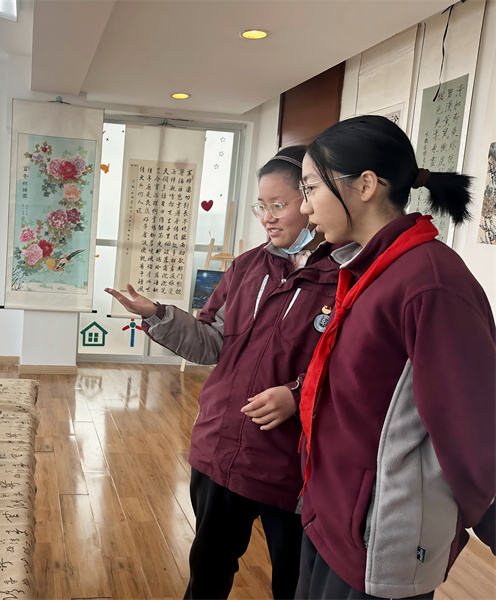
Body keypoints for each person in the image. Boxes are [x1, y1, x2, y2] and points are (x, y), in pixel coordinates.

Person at [106, 145, 345, 600]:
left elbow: (350, 366)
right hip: (221, 449)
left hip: (290, 465)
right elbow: (211, 342)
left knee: (294, 584)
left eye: (279, 205)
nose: (267, 218)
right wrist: (157, 314)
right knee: (208, 570)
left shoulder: (345, 276)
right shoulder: (247, 266)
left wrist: (297, 394)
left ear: (312, 200)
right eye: (262, 206)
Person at [295, 115, 496, 599]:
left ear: (365, 185)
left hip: (378, 537)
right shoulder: (371, 267)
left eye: (311, 188)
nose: (304, 207)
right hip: (332, 514)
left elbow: (471, 426)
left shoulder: (430, 281)